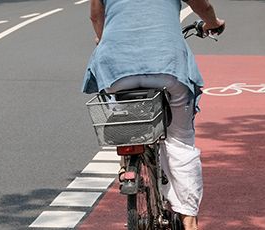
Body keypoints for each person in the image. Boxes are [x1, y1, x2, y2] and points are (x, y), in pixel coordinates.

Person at [82, 0, 225, 229]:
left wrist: (102, 38)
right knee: (180, 140)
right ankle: (189, 220)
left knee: (127, 115)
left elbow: (96, 17)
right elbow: (203, 5)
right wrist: (212, 22)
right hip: (166, 65)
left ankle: (127, 161)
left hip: (116, 67)